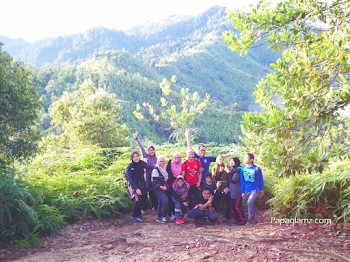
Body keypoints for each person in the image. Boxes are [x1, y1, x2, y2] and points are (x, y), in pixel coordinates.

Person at [126, 151, 155, 225]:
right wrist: (136, 188)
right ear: (132, 158)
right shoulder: (130, 166)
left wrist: (158, 167)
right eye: (134, 157)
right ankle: (134, 216)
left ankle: (139, 214)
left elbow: (149, 167)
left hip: (142, 183)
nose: (136, 158)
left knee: (143, 198)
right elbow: (130, 179)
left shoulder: (142, 163)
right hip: (133, 185)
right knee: (138, 199)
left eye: (137, 156)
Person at [133, 131, 158, 214]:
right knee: (144, 193)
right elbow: (141, 148)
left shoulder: (156, 159)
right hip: (146, 177)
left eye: (152, 150)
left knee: (152, 193)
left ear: (154, 151)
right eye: (149, 150)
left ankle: (155, 206)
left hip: (154, 178)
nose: (151, 152)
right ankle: (143, 208)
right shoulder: (146, 156)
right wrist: (137, 139)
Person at [241, 153, 264, 225]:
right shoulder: (243, 168)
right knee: (250, 204)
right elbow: (242, 181)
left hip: (255, 189)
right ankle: (253, 220)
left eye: (247, 158)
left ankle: (250, 220)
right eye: (245, 157)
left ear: (251, 159)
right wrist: (242, 192)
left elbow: (261, 179)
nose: (245, 159)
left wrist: (261, 189)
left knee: (250, 202)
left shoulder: (256, 168)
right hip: (246, 189)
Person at [227, 157, 246, 225]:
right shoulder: (233, 169)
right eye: (230, 161)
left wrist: (228, 172)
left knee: (237, 206)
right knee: (232, 205)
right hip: (232, 191)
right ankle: (236, 218)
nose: (231, 162)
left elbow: (233, 180)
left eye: (233, 161)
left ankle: (243, 219)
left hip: (237, 191)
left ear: (236, 162)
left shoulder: (238, 169)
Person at [212, 155, 231, 222]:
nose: (221, 161)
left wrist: (228, 187)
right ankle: (212, 215)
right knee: (215, 199)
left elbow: (229, 178)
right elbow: (215, 179)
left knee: (227, 201)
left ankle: (227, 216)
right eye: (220, 159)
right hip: (219, 186)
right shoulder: (214, 168)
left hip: (225, 185)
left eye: (222, 159)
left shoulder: (226, 167)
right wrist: (220, 171)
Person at [151, 155, 169, 223]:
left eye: (163, 161)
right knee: (165, 201)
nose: (162, 163)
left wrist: (166, 186)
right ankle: (163, 216)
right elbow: (154, 182)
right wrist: (161, 187)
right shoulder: (156, 170)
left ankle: (159, 217)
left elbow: (165, 180)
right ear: (158, 162)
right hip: (158, 189)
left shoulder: (164, 169)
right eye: (161, 161)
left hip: (164, 188)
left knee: (160, 202)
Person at [166, 153, 182, 219]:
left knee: (177, 198)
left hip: (179, 184)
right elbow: (167, 172)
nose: (176, 159)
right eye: (175, 157)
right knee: (170, 199)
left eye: (178, 157)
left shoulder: (182, 165)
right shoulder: (171, 163)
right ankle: (170, 213)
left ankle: (177, 213)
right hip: (170, 183)